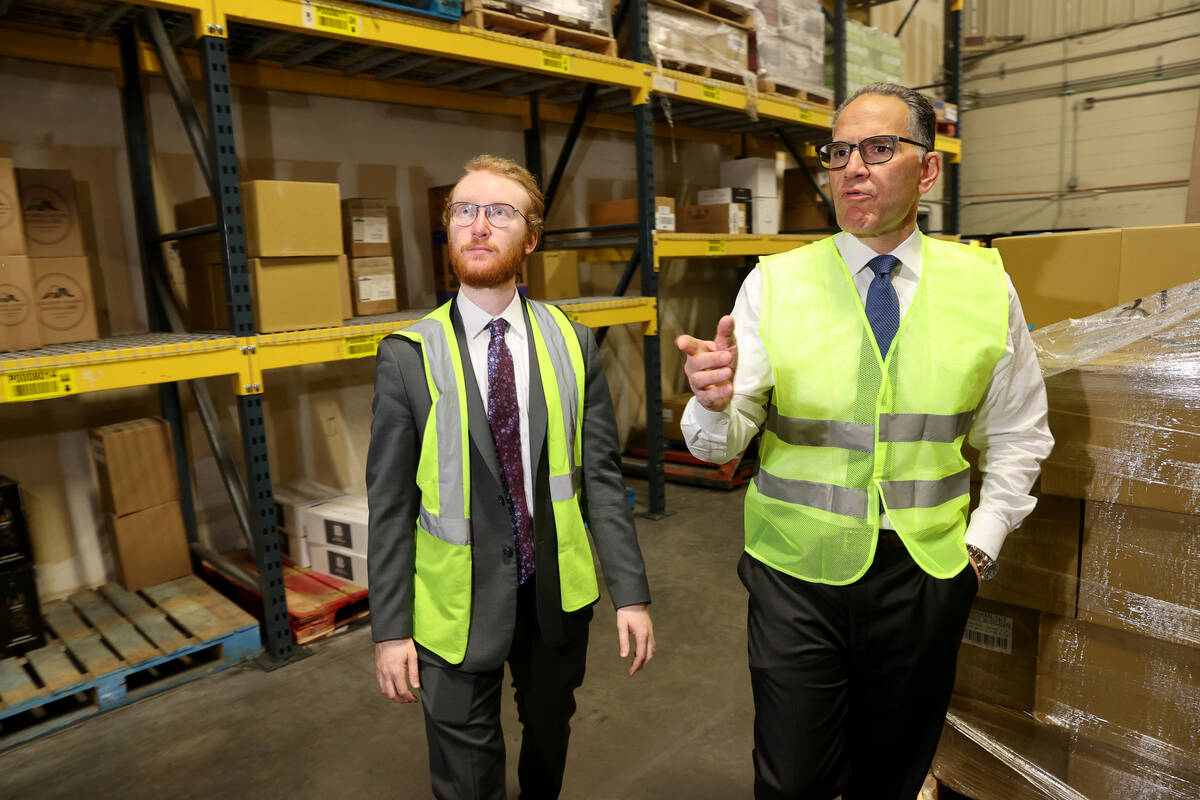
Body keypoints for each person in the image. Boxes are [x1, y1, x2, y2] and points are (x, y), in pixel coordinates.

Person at [676, 83, 1053, 800]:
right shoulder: (775, 284)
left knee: (893, 774)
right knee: (792, 781)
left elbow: (1018, 431)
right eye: (839, 151)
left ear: (928, 169)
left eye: (880, 149)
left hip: (925, 573)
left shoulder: (984, 285)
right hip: (794, 573)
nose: (853, 167)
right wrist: (710, 405)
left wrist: (981, 548)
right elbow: (719, 445)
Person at [368, 154, 655, 800]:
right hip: (453, 607)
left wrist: (630, 594)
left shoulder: (572, 343)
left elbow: (602, 479)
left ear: (530, 238)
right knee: (467, 779)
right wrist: (390, 630)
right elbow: (388, 507)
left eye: (499, 212)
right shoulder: (407, 357)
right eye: (464, 211)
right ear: (447, 231)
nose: (478, 224)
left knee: (549, 741)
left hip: (551, 595)